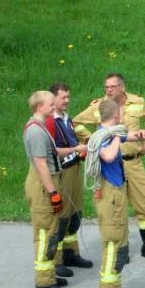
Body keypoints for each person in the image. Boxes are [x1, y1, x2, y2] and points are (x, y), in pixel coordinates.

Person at [74, 73, 145, 259]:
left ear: (122, 87)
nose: (109, 90)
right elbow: (76, 123)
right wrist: (93, 140)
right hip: (111, 165)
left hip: (133, 162)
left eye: (113, 86)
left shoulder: (138, 102)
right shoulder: (100, 106)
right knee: (118, 207)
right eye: (106, 87)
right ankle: (121, 250)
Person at [86, 98, 145, 288]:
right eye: (121, 112)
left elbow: (125, 136)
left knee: (119, 241)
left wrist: (137, 135)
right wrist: (115, 137)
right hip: (110, 194)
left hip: (115, 193)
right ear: (116, 115)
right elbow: (109, 155)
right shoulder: (102, 137)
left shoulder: (109, 133)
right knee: (113, 242)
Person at [23, 91, 68, 288]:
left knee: (51, 231)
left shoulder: (41, 127)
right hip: (43, 186)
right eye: (50, 103)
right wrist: (53, 193)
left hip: (47, 183)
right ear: (39, 106)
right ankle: (44, 282)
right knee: (44, 234)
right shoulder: (36, 132)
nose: (53, 106)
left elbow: (54, 152)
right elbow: (41, 165)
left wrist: (76, 149)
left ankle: (49, 274)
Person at [45, 82, 93, 274]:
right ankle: (56, 261)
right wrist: (75, 149)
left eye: (68, 97)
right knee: (62, 217)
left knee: (75, 213)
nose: (67, 100)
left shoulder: (67, 119)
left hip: (75, 170)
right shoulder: (50, 122)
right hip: (62, 173)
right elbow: (52, 151)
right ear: (53, 98)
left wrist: (80, 152)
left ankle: (70, 253)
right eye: (63, 97)